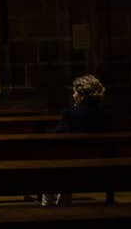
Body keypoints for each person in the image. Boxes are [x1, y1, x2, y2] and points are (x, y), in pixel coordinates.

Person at [42, 75, 108, 207]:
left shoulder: (70, 115)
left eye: (74, 92)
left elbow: (57, 137)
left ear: (81, 95)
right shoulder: (106, 115)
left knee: (50, 166)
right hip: (104, 167)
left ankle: (50, 206)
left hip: (73, 167)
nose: (73, 95)